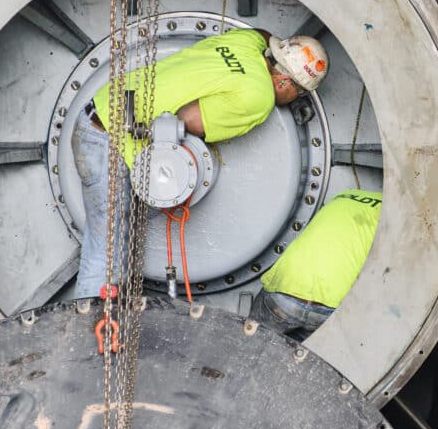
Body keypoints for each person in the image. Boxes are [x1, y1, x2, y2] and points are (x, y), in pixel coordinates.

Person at [72, 28, 330, 299]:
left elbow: (262, 34)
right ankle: (87, 336)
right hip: (110, 143)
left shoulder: (245, 43)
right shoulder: (260, 96)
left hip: (99, 112)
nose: (295, 99)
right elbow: (189, 119)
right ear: (284, 83)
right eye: (299, 93)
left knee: (114, 240)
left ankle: (108, 330)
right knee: (106, 259)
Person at [252, 189, 382, 340]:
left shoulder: (345, 194)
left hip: (285, 290)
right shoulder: (389, 214)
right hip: (328, 305)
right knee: (299, 360)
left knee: (250, 348)